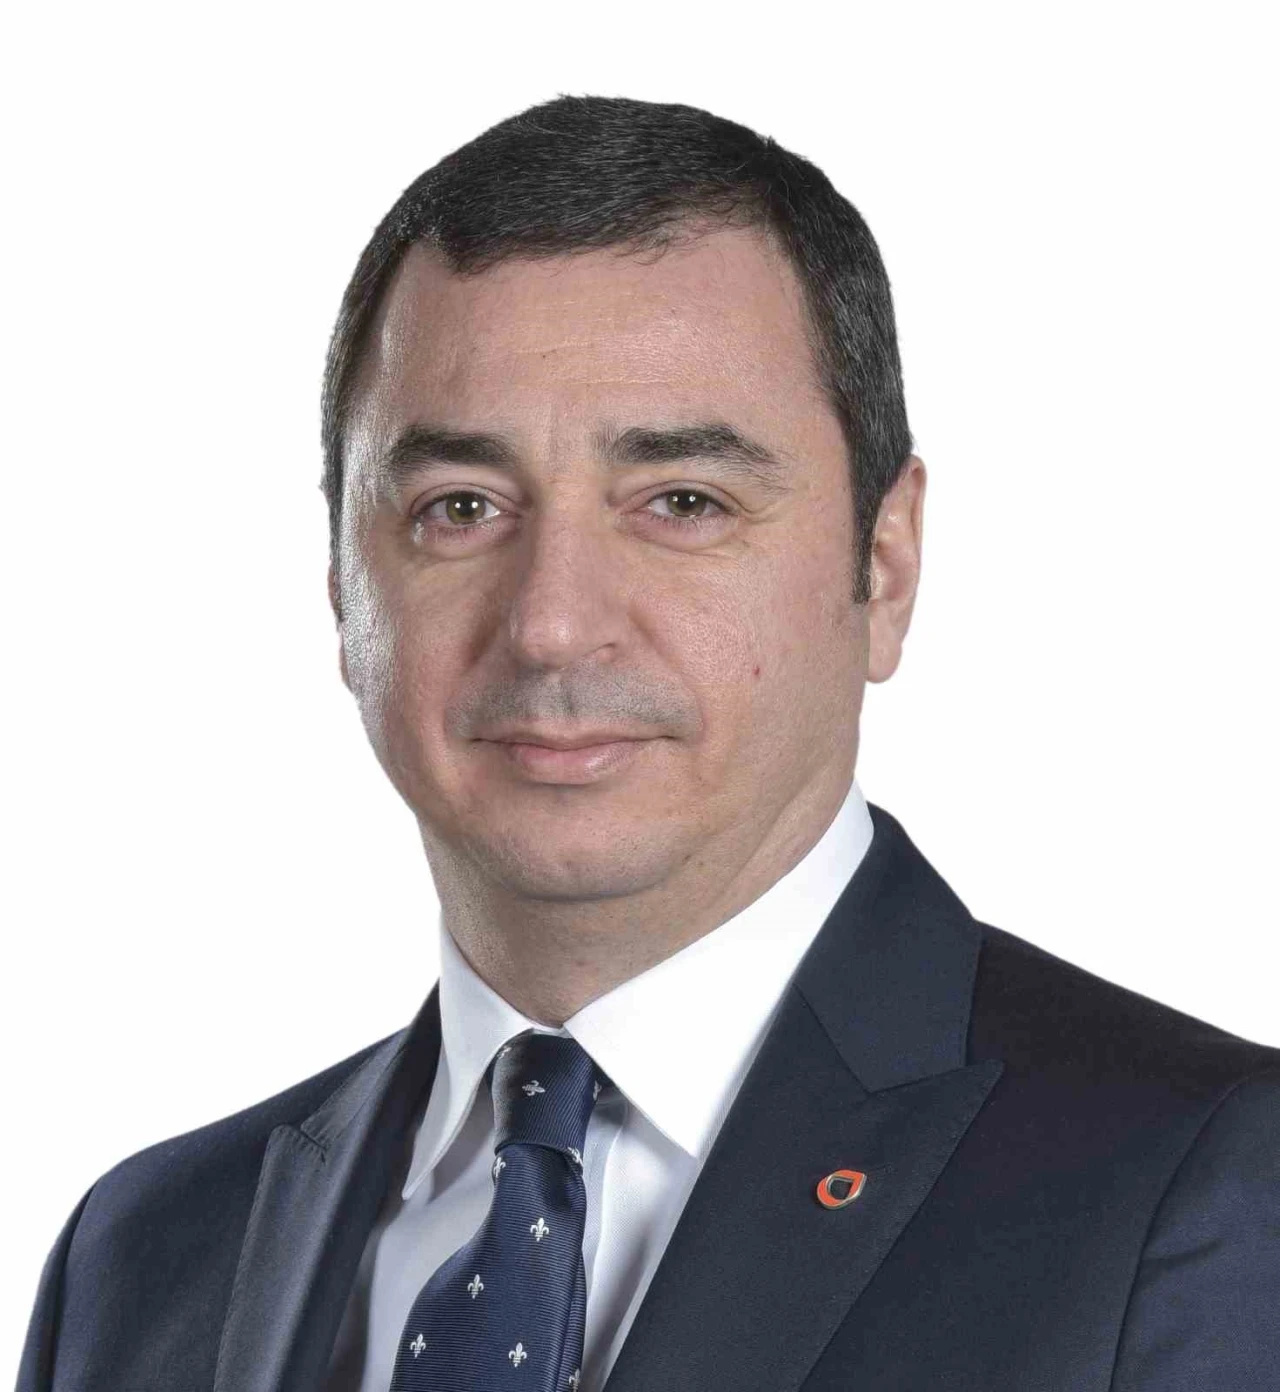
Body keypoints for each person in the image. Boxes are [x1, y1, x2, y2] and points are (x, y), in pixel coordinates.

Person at [17, 94, 1279, 1392]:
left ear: (886, 564)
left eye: (682, 501)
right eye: (461, 507)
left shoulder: (1208, 1195)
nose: (553, 624)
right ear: (343, 582)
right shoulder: (140, 1261)